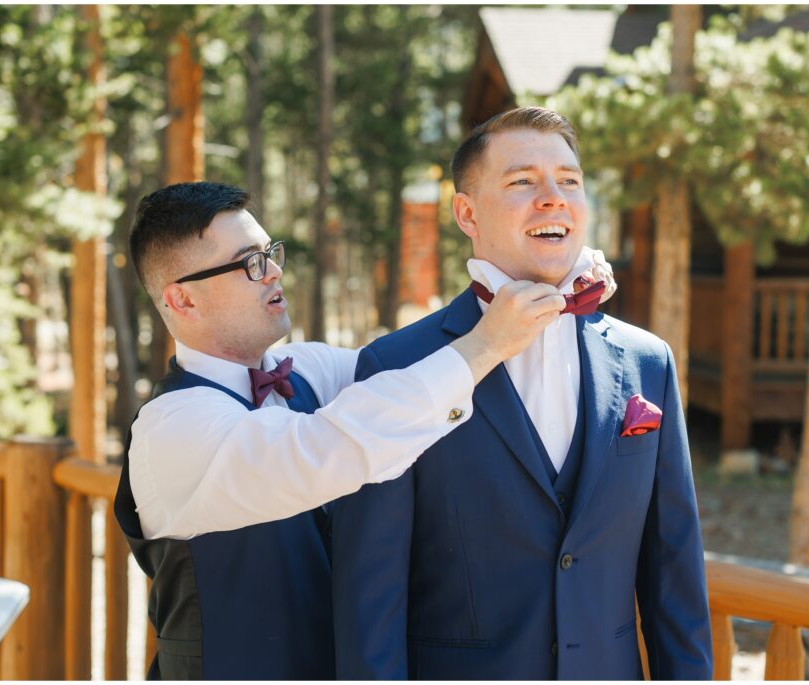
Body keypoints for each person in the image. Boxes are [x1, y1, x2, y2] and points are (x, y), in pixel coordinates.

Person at [113, 181, 571, 680]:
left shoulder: (308, 369)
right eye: (250, 263)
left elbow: (411, 374)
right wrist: (485, 345)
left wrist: (557, 277)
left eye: (271, 253)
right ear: (183, 301)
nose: (274, 271)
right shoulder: (171, 427)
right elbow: (329, 448)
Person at [332, 107, 713, 680]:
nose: (553, 197)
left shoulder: (647, 362)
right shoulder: (396, 366)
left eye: (569, 181)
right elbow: (370, 596)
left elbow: (674, 568)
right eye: (522, 182)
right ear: (466, 212)